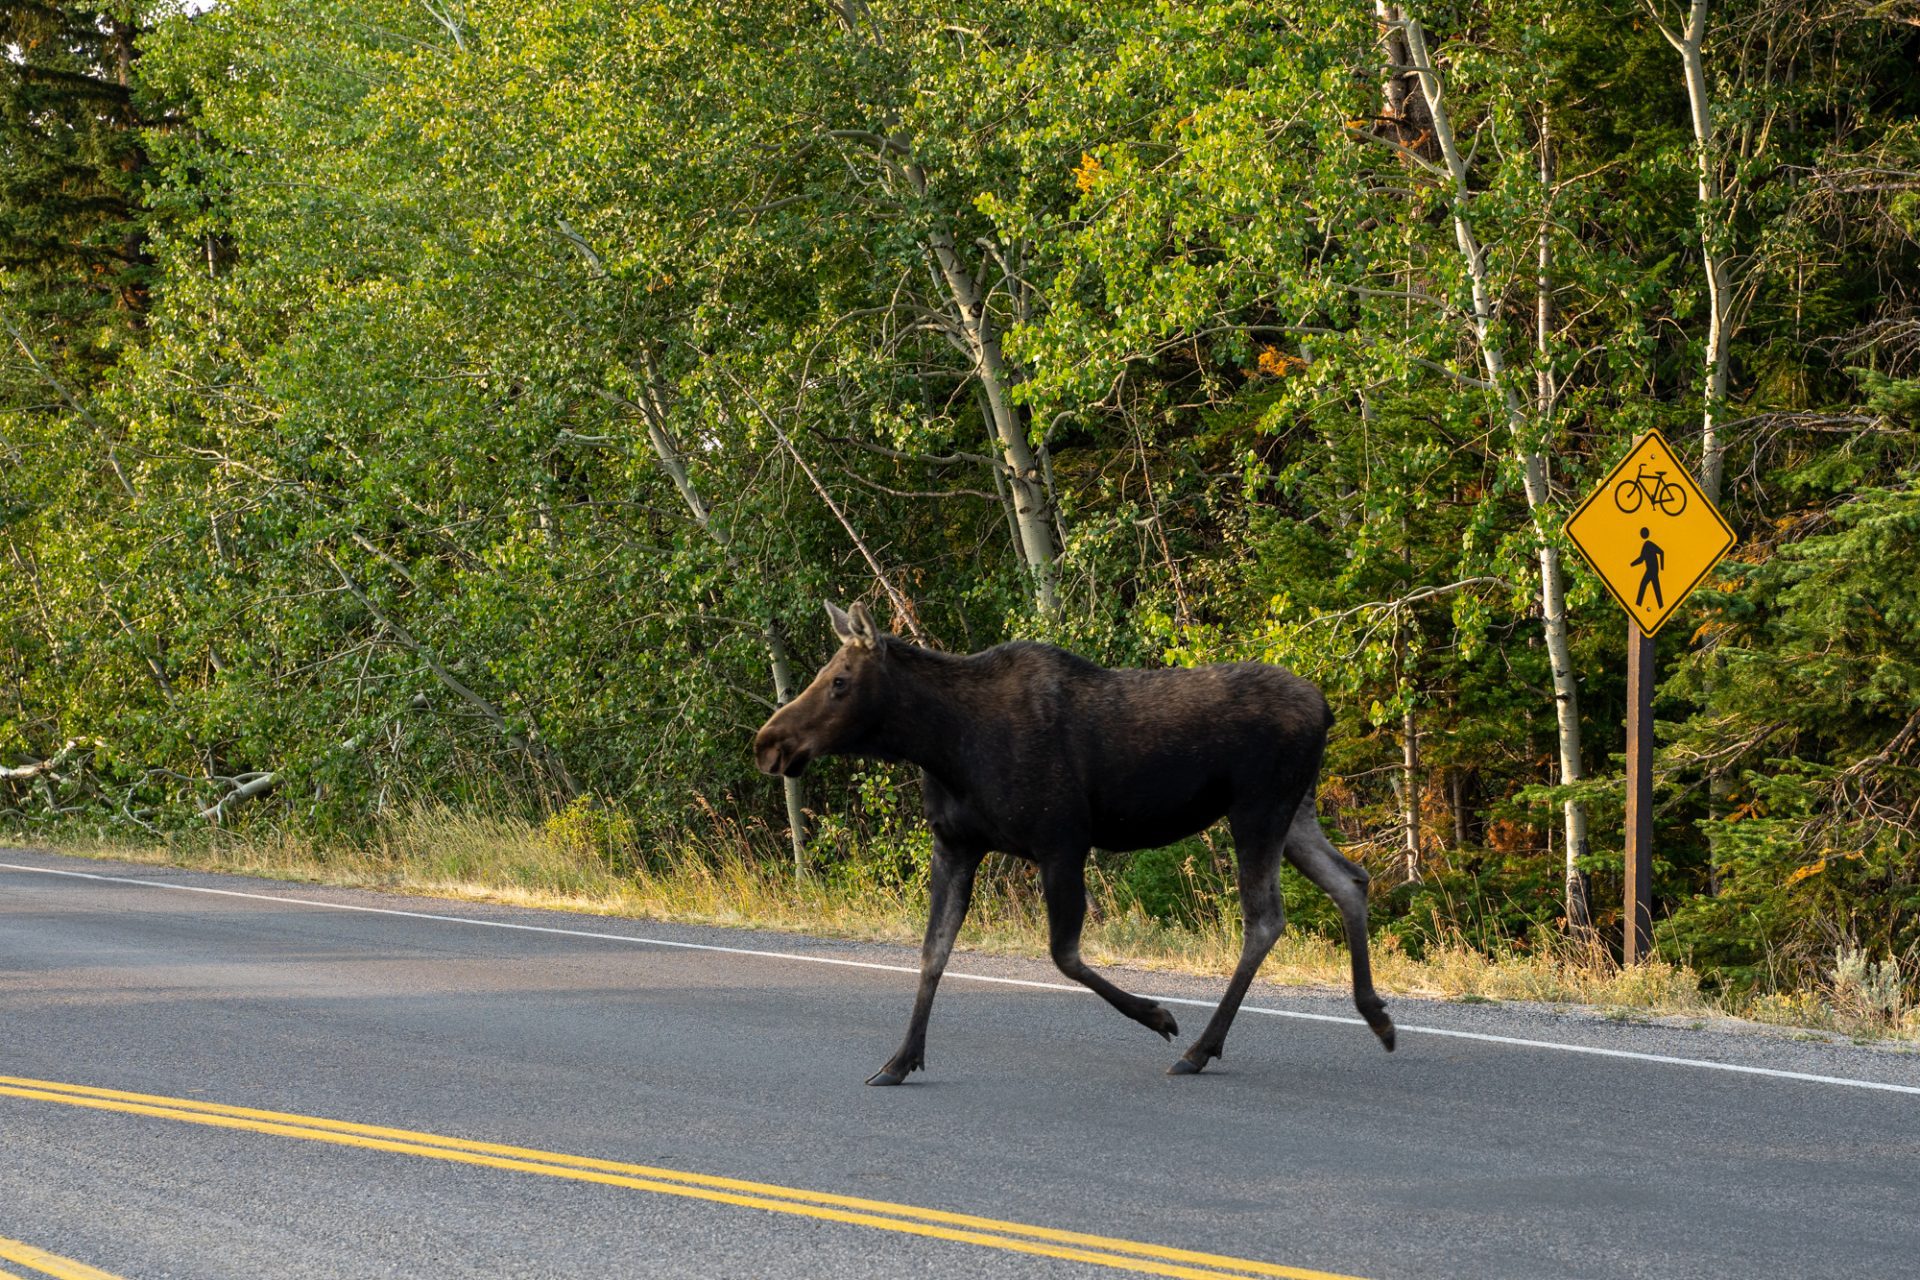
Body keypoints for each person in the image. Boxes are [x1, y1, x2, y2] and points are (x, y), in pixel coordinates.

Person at [1631, 527, 1665, 609]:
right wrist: (1632, 564)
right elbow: (1641, 559)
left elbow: (1661, 552)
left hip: (1652, 570)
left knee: (1644, 585)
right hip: (1651, 570)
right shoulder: (1646, 545)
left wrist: (1662, 567)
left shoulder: (1648, 544)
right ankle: (1660, 605)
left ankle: (1638, 604)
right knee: (1655, 587)